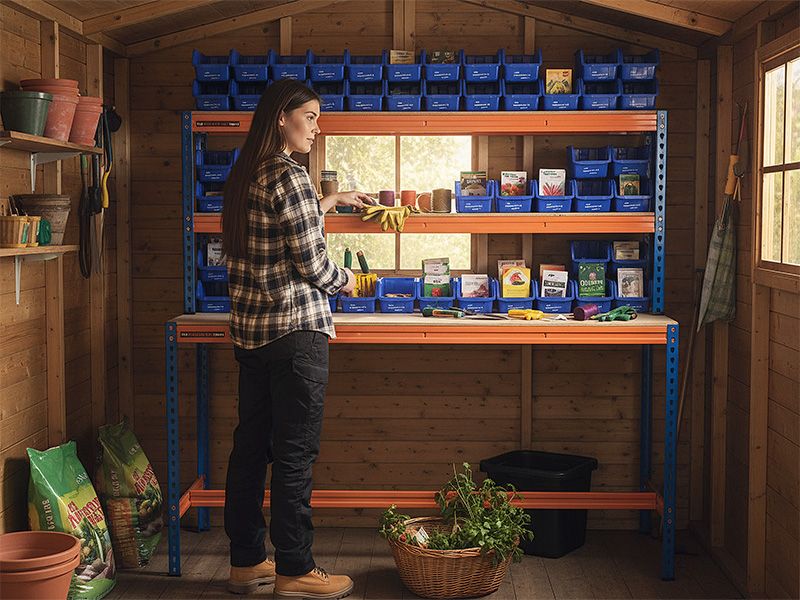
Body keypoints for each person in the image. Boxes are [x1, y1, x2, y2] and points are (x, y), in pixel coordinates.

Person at [221, 78, 371, 598]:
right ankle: (295, 568)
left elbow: (276, 234)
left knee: (250, 449)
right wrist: (348, 282)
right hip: (296, 334)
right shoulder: (289, 175)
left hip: (254, 334)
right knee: (294, 455)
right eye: (309, 116)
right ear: (282, 118)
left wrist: (329, 200)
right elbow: (311, 262)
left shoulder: (246, 174)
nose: (316, 126)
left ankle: (246, 562)